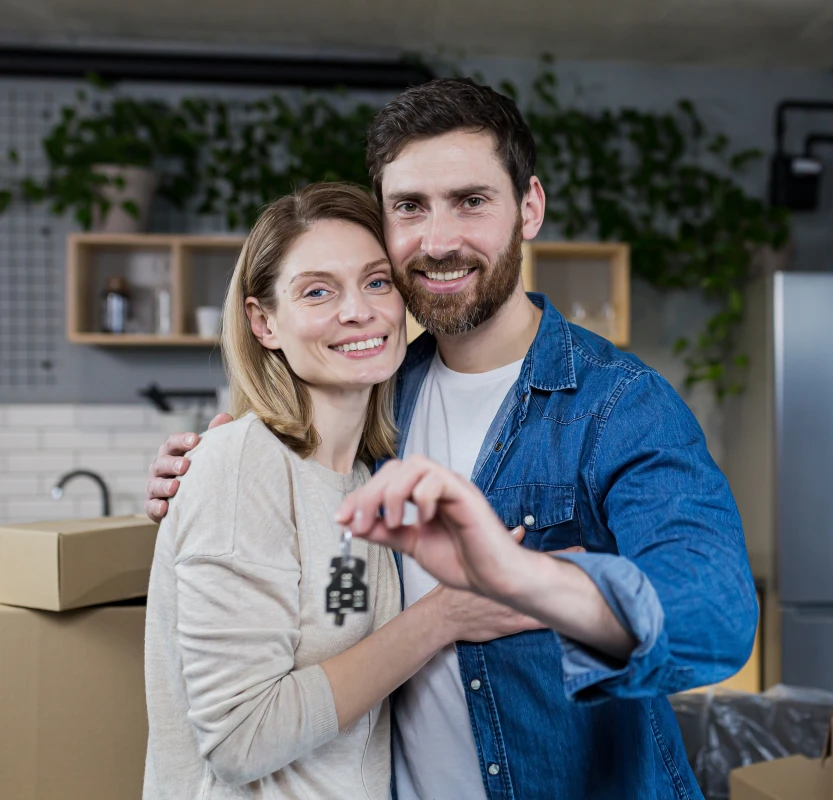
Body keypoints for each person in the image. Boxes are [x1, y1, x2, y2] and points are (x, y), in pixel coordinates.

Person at [147, 78, 758, 799]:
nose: (438, 241)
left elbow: (715, 614)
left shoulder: (618, 405)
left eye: (471, 201)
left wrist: (530, 581)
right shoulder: (378, 400)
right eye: (410, 207)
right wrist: (210, 472)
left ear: (528, 208)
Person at [142, 182, 543, 799]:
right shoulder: (241, 466)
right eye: (318, 291)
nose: (358, 311)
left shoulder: (365, 478)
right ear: (263, 321)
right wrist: (447, 614)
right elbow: (237, 740)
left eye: (377, 282)